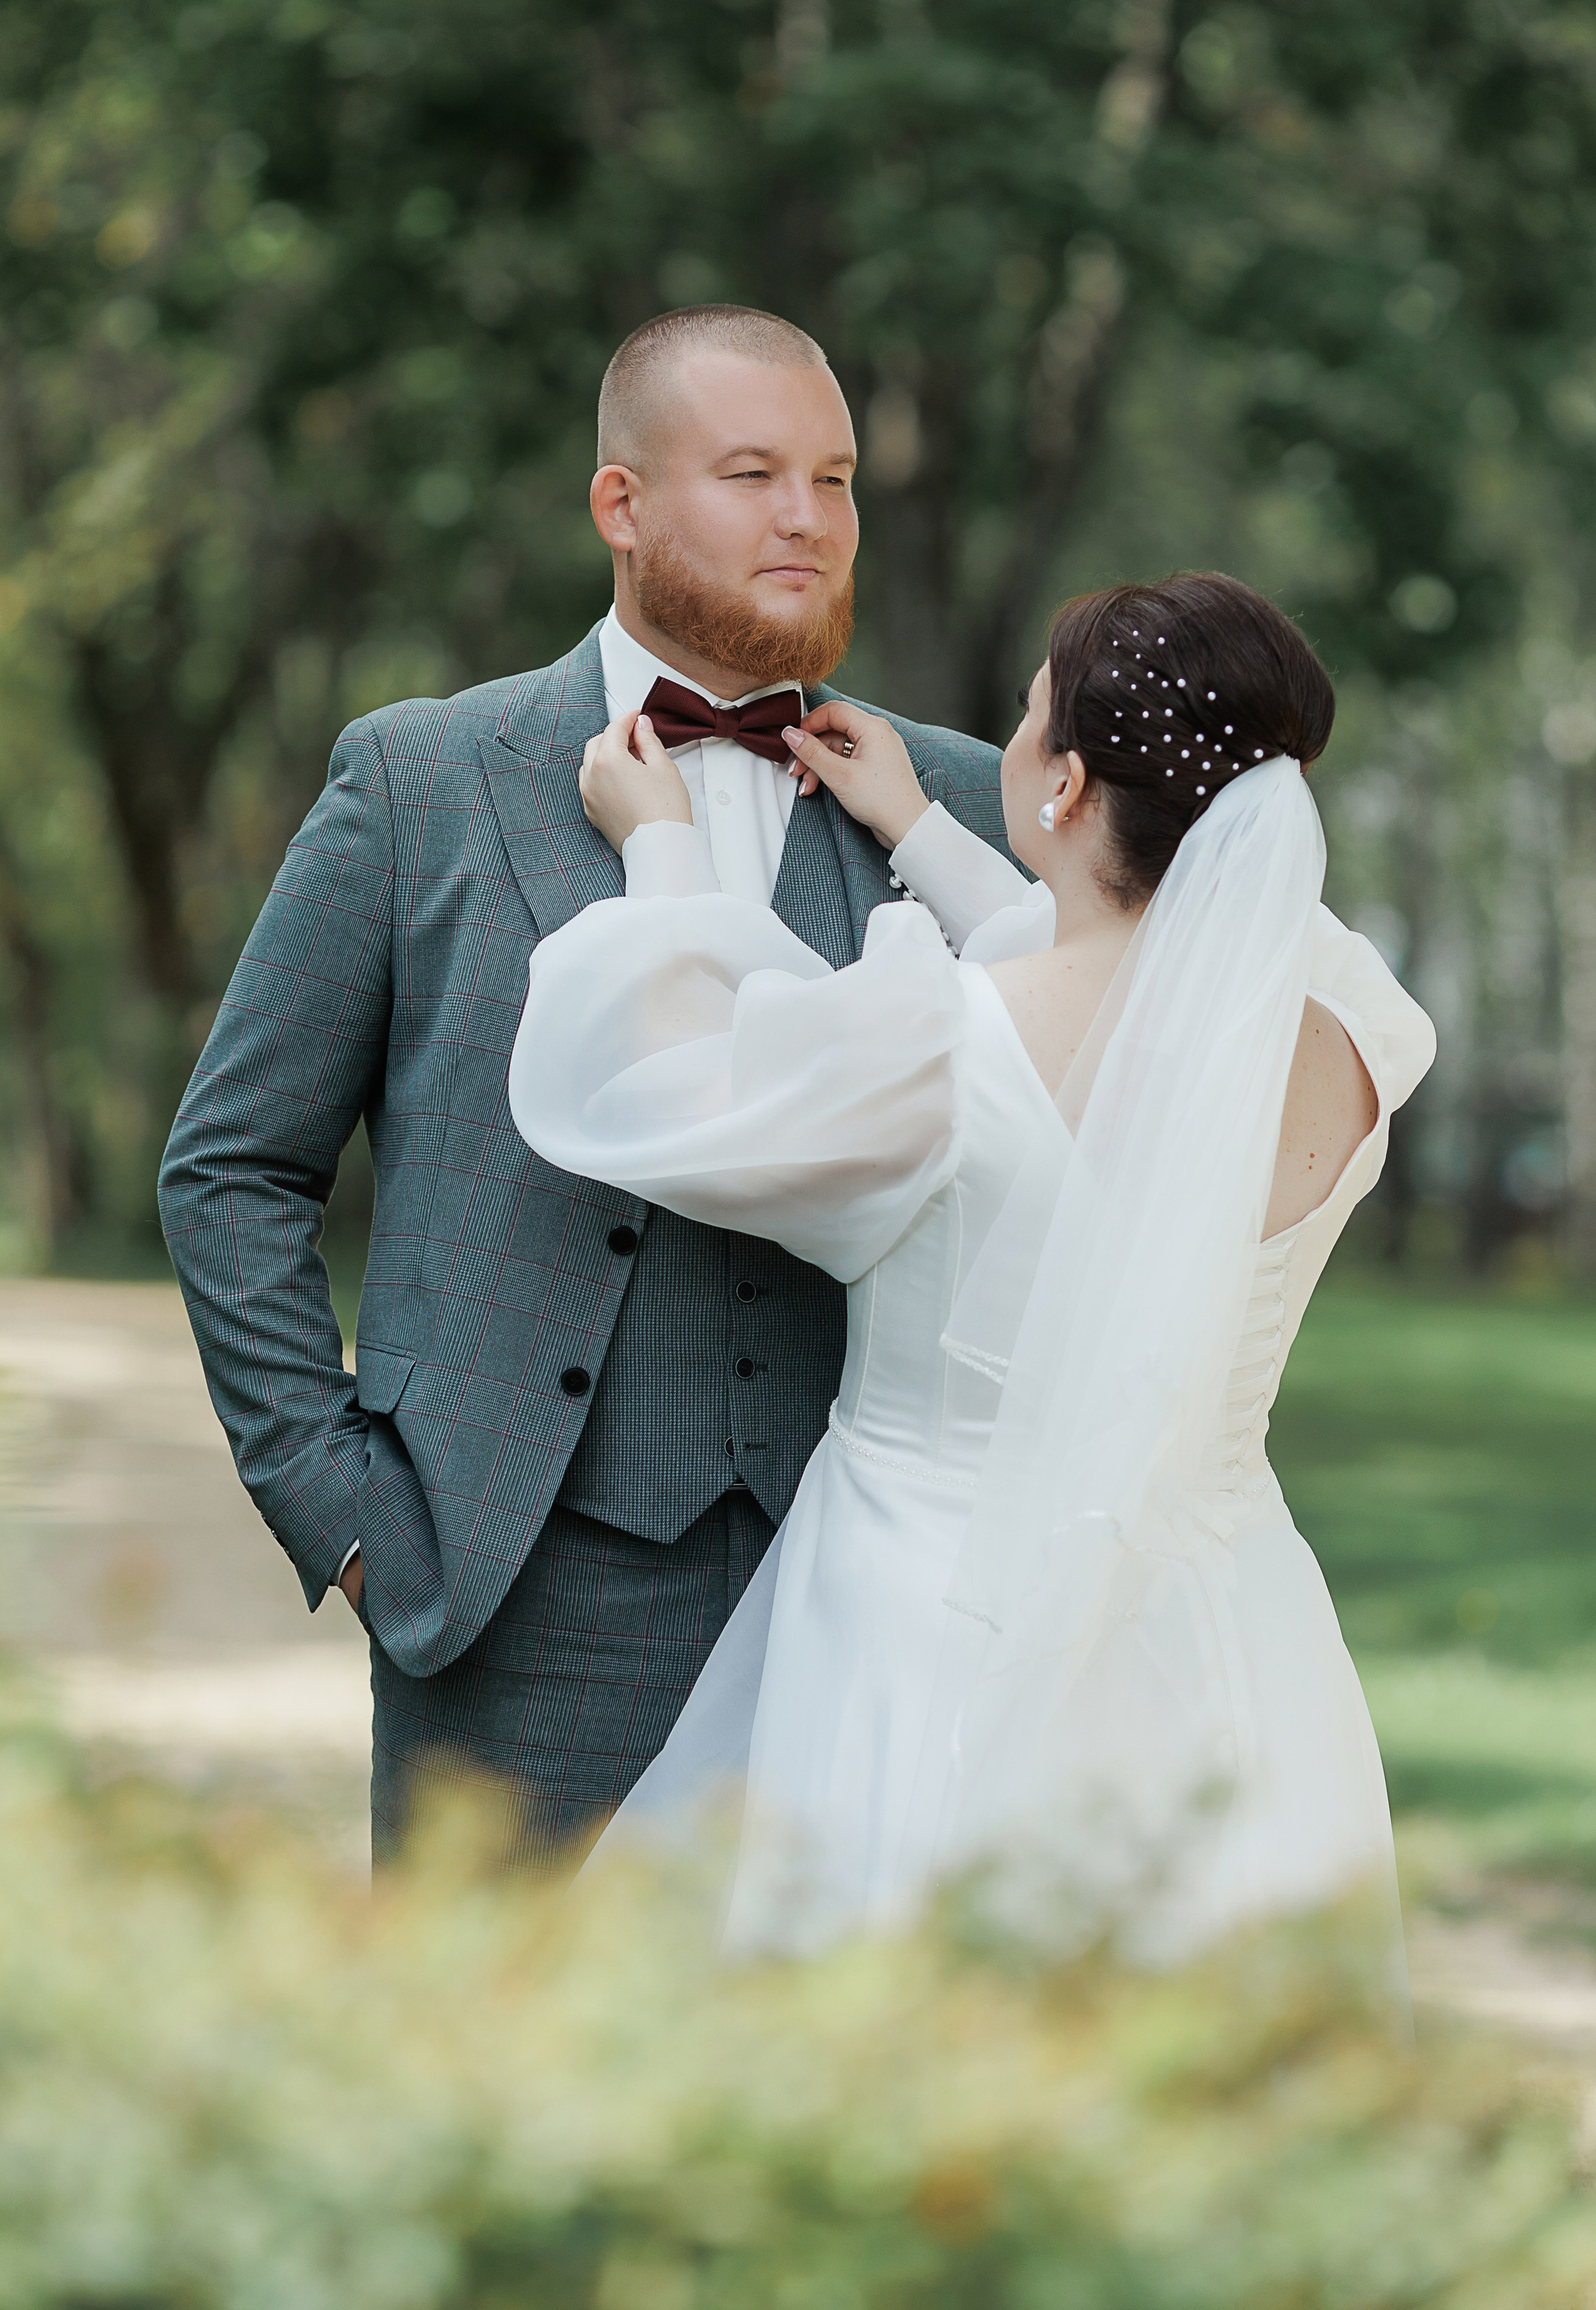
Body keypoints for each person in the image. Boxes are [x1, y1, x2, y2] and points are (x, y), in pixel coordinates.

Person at [157, 304, 1011, 1859]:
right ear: (621, 506)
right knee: (490, 2077)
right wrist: (342, 1509)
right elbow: (232, 1166)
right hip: (504, 1600)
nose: (808, 521)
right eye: (752, 473)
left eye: (833, 479)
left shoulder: (948, 797)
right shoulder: (421, 778)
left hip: (874, 1601)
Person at [509, 573, 1437, 1958]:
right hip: (1225, 1612)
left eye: (1023, 722)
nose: (1004, 743)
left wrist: (663, 856)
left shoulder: (938, 1045)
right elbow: (1145, 986)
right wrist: (921, 831)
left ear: (1062, 790)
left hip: (926, 1609)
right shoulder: (1355, 1030)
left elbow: (686, 1089)